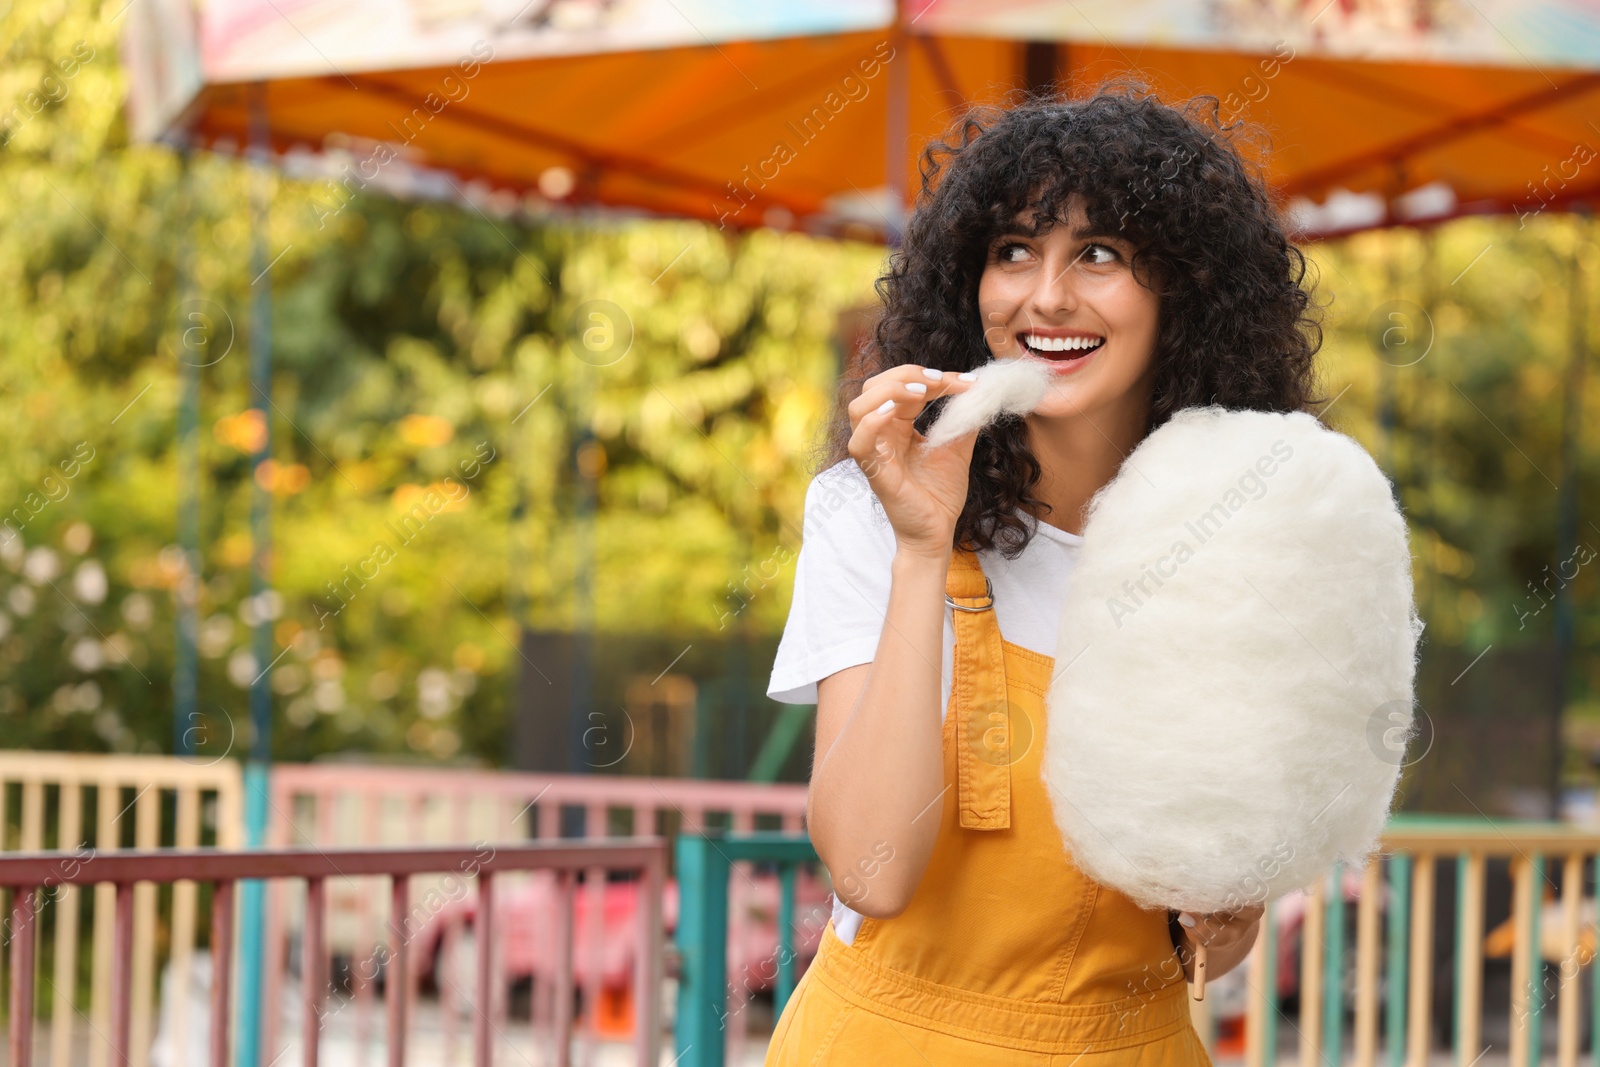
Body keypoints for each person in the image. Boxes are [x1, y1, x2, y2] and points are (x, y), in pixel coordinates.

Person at [764, 83, 1327, 1064]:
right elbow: (870, 867)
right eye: (1012, 250)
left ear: (1185, 291)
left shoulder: (1244, 543)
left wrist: (1225, 914)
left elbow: (1214, 943)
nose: (1046, 295)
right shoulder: (869, 510)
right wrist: (919, 549)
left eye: (1099, 254)